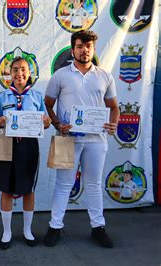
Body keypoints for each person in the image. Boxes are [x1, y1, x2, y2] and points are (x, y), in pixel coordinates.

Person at [44, 30, 119, 248]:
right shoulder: (60, 76)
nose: (84, 50)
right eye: (79, 46)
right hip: (67, 138)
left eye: (88, 46)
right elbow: (48, 104)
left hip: (96, 139)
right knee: (63, 184)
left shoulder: (105, 75)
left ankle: (98, 227)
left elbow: (114, 107)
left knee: (94, 184)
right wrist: (58, 124)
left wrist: (113, 123)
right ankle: (55, 226)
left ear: (93, 49)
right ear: (73, 49)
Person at [0, 57, 51, 250]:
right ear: (9, 73)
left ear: (29, 73)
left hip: (28, 147)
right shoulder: (2, 97)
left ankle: (27, 230)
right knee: (6, 189)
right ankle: (6, 232)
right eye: (15, 70)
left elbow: (45, 120)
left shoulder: (36, 97)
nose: (19, 74)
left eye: (23, 70)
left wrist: (47, 122)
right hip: (7, 146)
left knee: (28, 189)